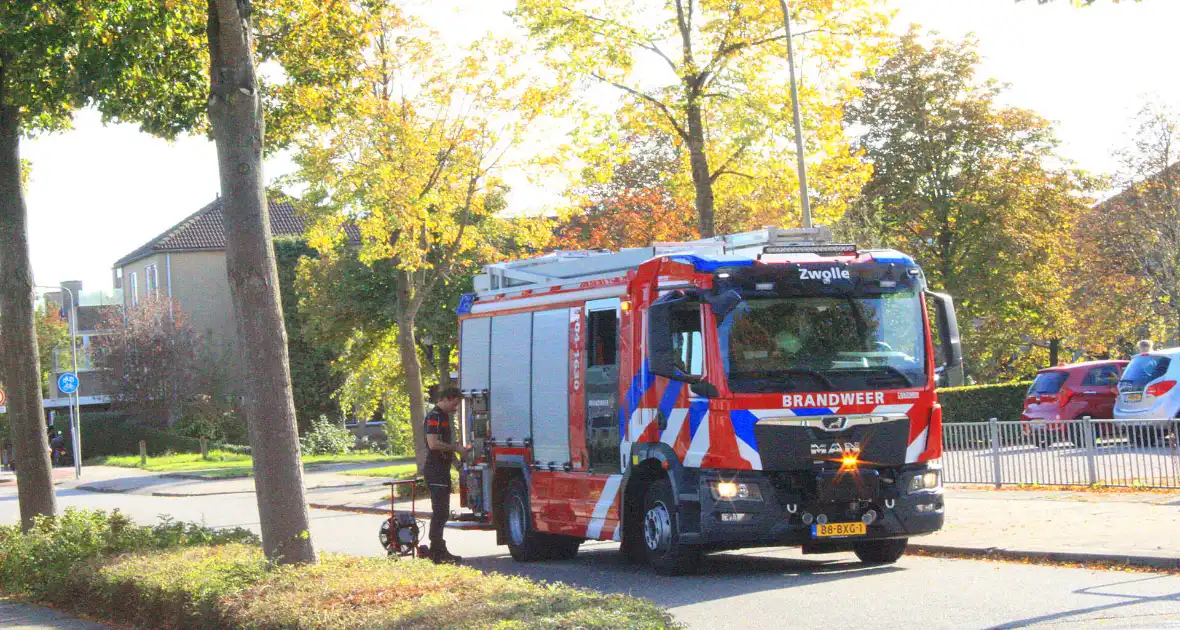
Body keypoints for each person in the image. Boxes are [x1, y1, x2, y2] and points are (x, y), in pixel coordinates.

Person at [423, 387, 468, 564]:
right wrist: (456, 448)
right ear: (448, 399)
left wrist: (458, 466)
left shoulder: (443, 417)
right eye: (455, 404)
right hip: (435, 470)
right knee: (440, 512)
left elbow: (445, 449)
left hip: (441, 469)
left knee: (442, 512)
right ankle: (437, 551)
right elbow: (433, 444)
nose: (456, 408)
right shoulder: (435, 415)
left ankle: (438, 550)